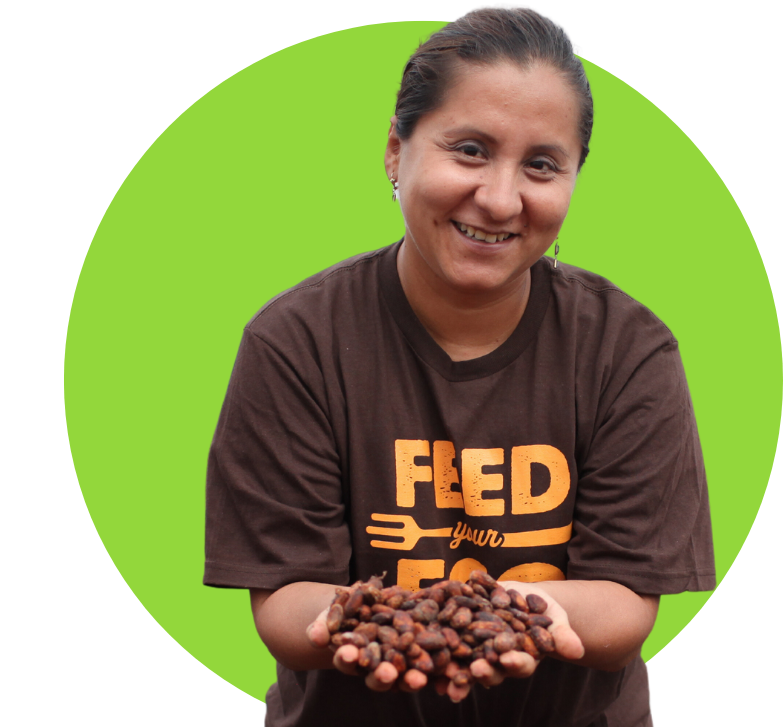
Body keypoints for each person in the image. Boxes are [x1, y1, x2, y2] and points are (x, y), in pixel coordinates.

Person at [203, 5, 715, 725]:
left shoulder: (630, 352)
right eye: (469, 150)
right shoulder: (294, 343)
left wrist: (515, 613)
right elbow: (287, 598)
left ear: (573, 178)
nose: (501, 199)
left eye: (541, 164)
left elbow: (626, 602)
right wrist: (366, 622)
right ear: (394, 151)